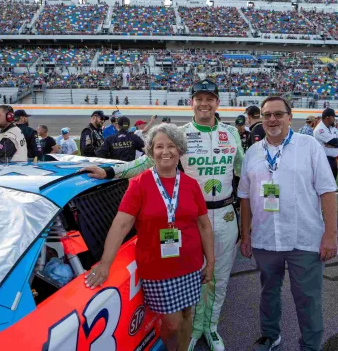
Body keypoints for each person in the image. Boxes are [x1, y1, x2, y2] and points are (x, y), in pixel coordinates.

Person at [82, 79, 244, 351]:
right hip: (190, 217)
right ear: (191, 102)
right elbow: (146, 162)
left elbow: (243, 166)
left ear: (218, 102)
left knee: (220, 276)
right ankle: (192, 331)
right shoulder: (179, 134)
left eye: (210, 99)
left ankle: (212, 327)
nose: (204, 103)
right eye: (199, 98)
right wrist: (110, 171)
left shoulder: (232, 132)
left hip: (225, 213)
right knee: (199, 275)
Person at [85, 124, 215, 351]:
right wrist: (105, 263)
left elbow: (204, 225)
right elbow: (121, 224)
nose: (166, 152)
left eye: (171, 146)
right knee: (172, 324)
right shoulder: (139, 184)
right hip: (158, 268)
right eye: (159, 146)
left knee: (187, 313)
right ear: (151, 151)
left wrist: (210, 261)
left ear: (180, 150)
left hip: (191, 263)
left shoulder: (191, 184)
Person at [238, 95, 338, 351]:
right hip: (265, 238)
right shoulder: (253, 152)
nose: (272, 119)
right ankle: (270, 335)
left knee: (308, 299)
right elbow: (246, 198)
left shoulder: (309, 146)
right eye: (267, 114)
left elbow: (327, 192)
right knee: (268, 294)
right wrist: (245, 235)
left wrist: (331, 235)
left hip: (304, 238)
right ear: (261, 118)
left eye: (278, 114)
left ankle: (311, 345)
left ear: (289, 118)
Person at [314, 108, 338, 179]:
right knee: (325, 183)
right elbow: (333, 141)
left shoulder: (332, 128)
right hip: (324, 160)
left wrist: (332, 145)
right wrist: (335, 143)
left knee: (332, 183)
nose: (334, 119)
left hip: (333, 160)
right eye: (333, 117)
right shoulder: (320, 129)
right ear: (327, 117)